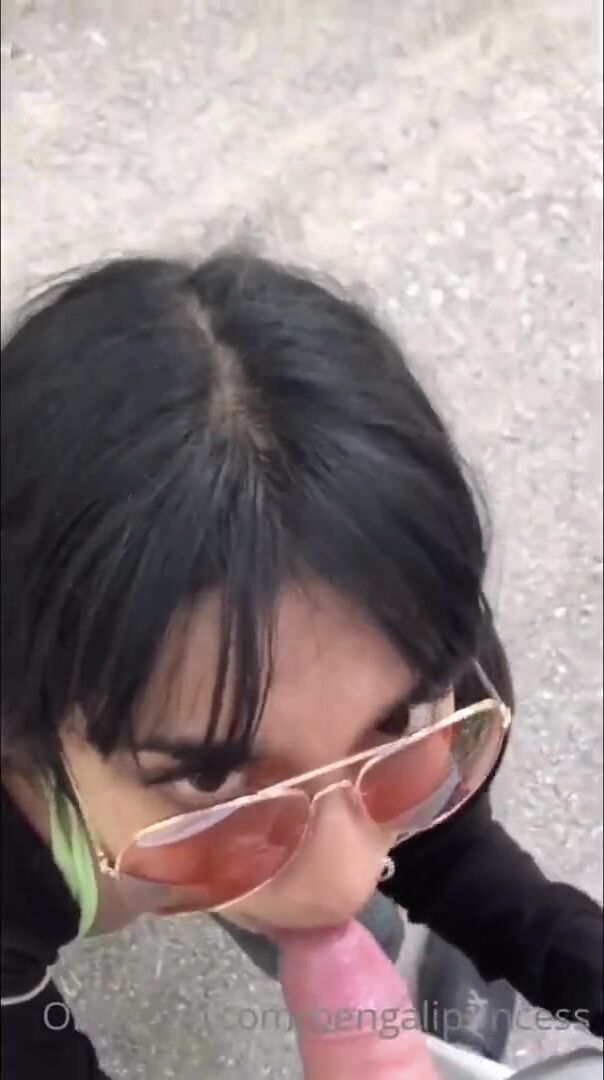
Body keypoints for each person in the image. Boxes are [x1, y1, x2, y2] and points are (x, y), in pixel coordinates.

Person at [1, 251, 602, 1079]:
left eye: (391, 726)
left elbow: (459, 860)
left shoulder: (424, 657)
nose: (346, 879)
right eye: (209, 777)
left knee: (359, 920)